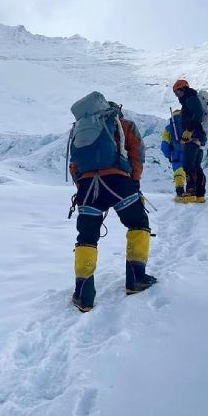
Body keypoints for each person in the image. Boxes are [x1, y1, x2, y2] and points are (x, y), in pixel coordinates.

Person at [68, 92, 156, 312]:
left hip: (88, 188)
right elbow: (137, 154)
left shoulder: (79, 130)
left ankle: (83, 294)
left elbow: (74, 165)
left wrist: (82, 189)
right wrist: (133, 182)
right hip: (118, 182)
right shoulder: (123, 124)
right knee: (138, 224)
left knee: (87, 237)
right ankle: (136, 279)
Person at [172, 79, 207, 203]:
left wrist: (189, 130)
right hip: (199, 136)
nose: (177, 96)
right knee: (196, 165)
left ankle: (191, 191)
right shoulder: (191, 98)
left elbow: (198, 113)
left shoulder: (190, 98)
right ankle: (200, 194)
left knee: (188, 164)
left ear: (183, 89)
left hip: (193, 135)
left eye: (177, 92)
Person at [160, 109, 188, 200]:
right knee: (190, 171)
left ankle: (180, 192)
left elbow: (164, 145)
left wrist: (169, 155)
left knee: (178, 172)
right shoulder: (187, 124)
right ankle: (192, 190)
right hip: (188, 152)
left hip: (175, 154)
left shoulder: (169, 128)